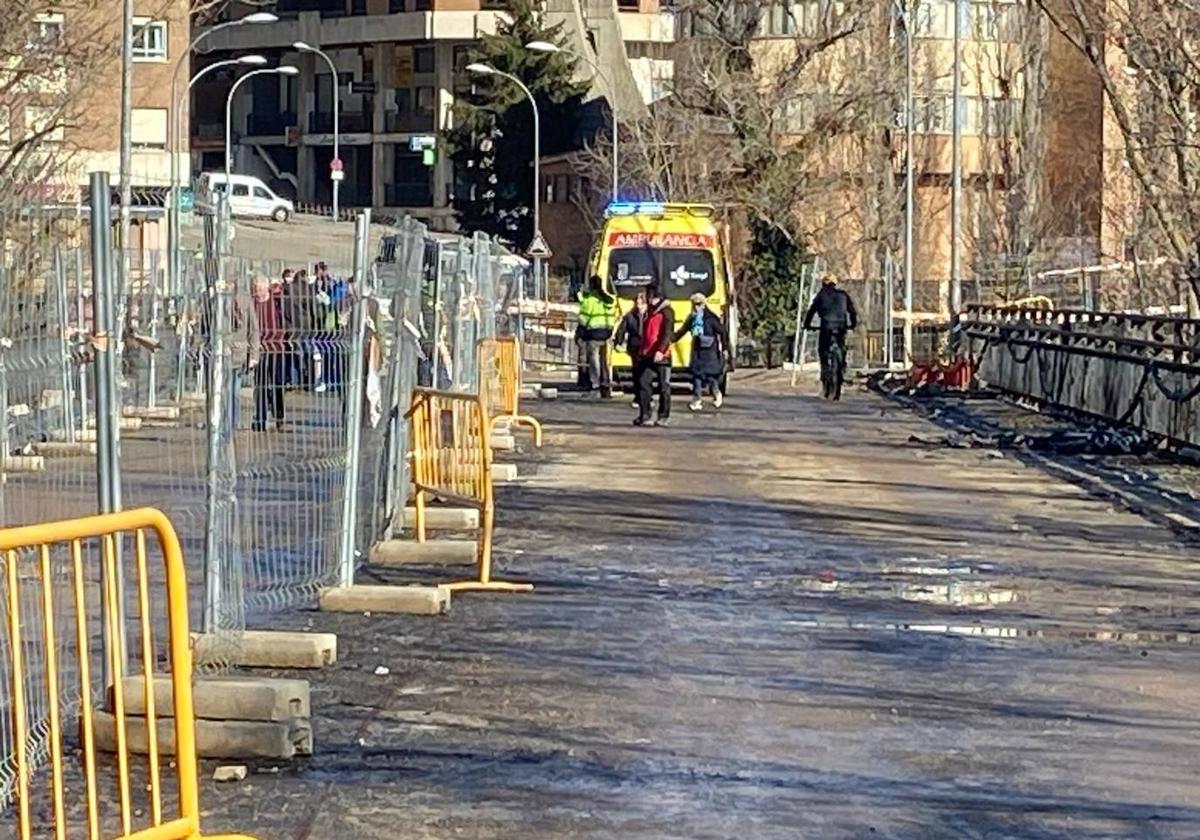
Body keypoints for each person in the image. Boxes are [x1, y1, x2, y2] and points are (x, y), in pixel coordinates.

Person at [803, 274, 858, 400]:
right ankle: (841, 368)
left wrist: (807, 325)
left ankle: (825, 373)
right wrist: (852, 324)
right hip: (840, 328)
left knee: (823, 351)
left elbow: (811, 311)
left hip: (826, 327)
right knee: (841, 348)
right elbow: (852, 311)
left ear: (824, 284)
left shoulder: (821, 295)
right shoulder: (843, 295)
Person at [674, 292, 731, 412]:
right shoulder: (692, 318)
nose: (696, 307)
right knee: (697, 376)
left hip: (710, 351)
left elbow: (722, 332)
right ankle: (697, 400)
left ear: (704, 304)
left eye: (699, 304)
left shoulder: (711, 318)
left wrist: (725, 348)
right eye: (694, 304)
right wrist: (670, 339)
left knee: (710, 376)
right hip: (697, 351)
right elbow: (682, 331)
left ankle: (716, 392)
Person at [634, 284, 674, 427]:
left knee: (664, 386)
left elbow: (667, 333)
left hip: (662, 355)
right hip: (647, 353)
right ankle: (645, 414)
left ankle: (663, 415)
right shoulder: (649, 312)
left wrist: (661, 350)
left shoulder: (667, 312)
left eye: (648, 295)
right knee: (644, 383)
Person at [252, 276, 286, 431]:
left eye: (260, 289)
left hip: (276, 348)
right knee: (261, 385)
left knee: (277, 383)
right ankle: (260, 418)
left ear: (266, 288)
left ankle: (279, 415)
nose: (258, 292)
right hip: (260, 349)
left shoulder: (277, 302)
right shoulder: (253, 304)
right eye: (256, 289)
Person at [576, 275, 617, 398]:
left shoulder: (590, 300)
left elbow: (583, 319)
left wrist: (579, 333)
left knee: (594, 361)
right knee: (604, 361)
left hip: (593, 334)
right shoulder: (607, 300)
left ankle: (595, 385)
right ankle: (605, 383)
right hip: (606, 334)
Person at [614, 289, 647, 410]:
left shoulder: (651, 315)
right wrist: (618, 342)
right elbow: (621, 330)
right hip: (635, 347)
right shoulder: (630, 316)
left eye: (641, 304)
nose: (639, 307)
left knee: (646, 375)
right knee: (637, 373)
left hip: (648, 347)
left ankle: (646, 397)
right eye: (637, 304)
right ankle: (638, 396)